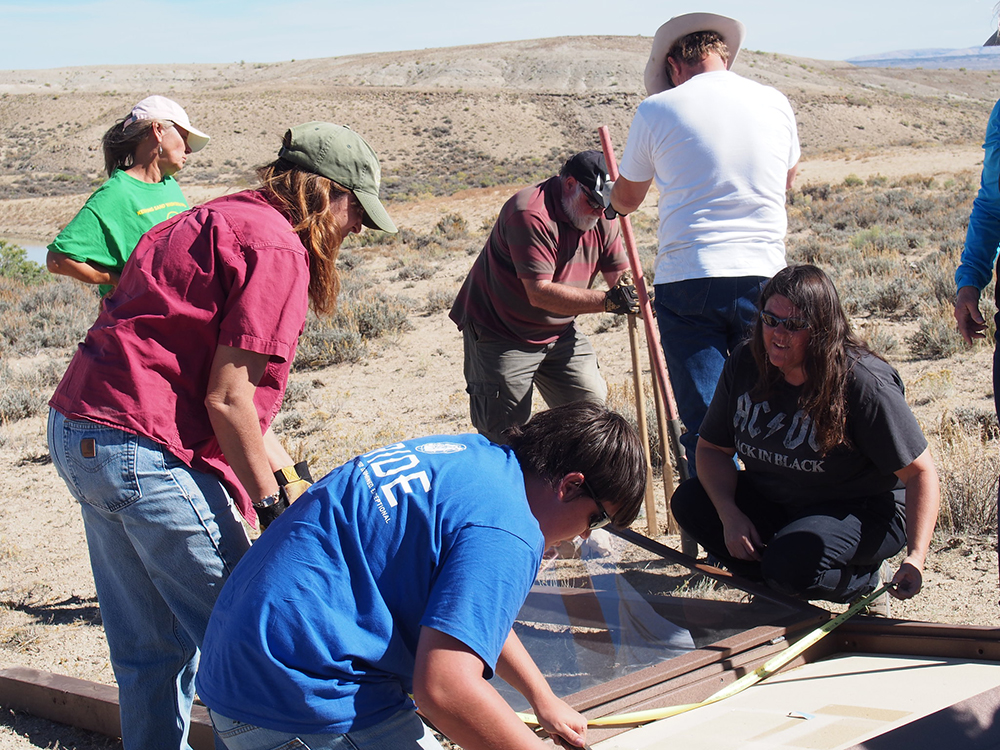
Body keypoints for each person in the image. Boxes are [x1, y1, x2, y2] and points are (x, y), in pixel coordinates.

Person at [46, 121, 397, 750]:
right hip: (139, 448)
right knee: (253, 641)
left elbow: (235, 407)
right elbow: (228, 399)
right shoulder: (279, 248)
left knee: (150, 651)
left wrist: (289, 481)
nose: (357, 230)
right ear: (326, 194)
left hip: (84, 434)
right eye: (356, 213)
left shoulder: (223, 217)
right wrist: (271, 509)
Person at [195, 401, 646, 750]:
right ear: (569, 485)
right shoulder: (509, 528)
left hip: (239, 668)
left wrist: (540, 698)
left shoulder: (469, 459)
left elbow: (461, 612)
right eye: (597, 520)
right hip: (302, 695)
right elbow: (445, 690)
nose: (584, 536)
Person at [670, 265, 940, 610]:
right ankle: (773, 592)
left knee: (791, 564)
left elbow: (920, 473)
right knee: (692, 503)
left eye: (794, 325)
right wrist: (729, 514)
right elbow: (711, 450)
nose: (778, 334)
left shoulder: (863, 384)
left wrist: (916, 556)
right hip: (783, 501)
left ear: (822, 330)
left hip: (862, 511)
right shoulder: (746, 362)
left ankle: (863, 581)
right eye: (769, 320)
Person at [610, 13, 800, 475]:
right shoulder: (775, 102)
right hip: (765, 273)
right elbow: (788, 180)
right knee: (773, 414)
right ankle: (777, 530)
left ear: (675, 65)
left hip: (690, 274)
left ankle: (723, 538)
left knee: (708, 426)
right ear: (725, 56)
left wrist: (613, 199)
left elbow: (628, 198)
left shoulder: (657, 110)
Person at [449, 150, 638, 444]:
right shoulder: (531, 213)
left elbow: (619, 273)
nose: (599, 213)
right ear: (570, 183)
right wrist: (609, 302)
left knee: (591, 412)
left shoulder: (602, 213)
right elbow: (539, 293)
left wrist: (633, 292)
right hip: (500, 332)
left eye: (606, 207)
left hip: (558, 332)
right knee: (505, 434)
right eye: (592, 203)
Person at [46, 95, 209, 298]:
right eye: (184, 137)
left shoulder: (168, 184)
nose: (189, 149)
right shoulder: (115, 194)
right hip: (136, 322)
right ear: (158, 130)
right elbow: (57, 260)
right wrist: (115, 280)